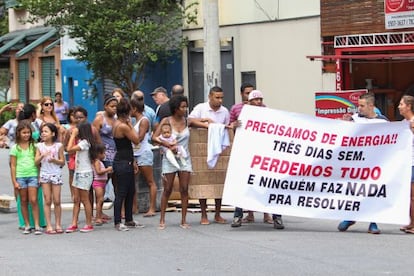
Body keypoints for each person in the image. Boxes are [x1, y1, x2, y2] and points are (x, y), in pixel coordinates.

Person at [230, 90, 284, 229]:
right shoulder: (242, 114)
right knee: (243, 185)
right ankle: (238, 216)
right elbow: (231, 127)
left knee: (271, 184)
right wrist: (235, 126)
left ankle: (277, 217)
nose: (259, 102)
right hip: (246, 154)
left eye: (260, 99)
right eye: (256, 100)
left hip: (263, 155)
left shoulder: (267, 113)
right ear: (249, 101)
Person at [338, 92, 388, 234]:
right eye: (358, 105)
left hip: (374, 165)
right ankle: (350, 217)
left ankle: (373, 222)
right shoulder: (355, 120)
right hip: (357, 164)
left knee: (372, 192)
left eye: (362, 106)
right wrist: (344, 124)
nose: (359, 108)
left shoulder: (383, 122)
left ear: (371, 106)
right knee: (353, 190)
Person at [188, 86, 230, 225]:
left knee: (219, 180)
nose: (220, 100)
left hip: (219, 149)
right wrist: (207, 125)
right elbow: (190, 121)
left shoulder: (225, 111)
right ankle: (204, 214)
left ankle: (218, 214)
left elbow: (227, 129)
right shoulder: (201, 108)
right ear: (210, 96)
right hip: (201, 148)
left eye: (221, 97)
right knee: (202, 179)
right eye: (217, 97)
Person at [152, 95, 192, 230]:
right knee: (168, 188)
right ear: (175, 108)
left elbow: (203, 123)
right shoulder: (166, 121)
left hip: (184, 158)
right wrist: (167, 145)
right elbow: (154, 138)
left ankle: (184, 219)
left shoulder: (187, 121)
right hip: (169, 158)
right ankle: (162, 218)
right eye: (182, 107)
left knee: (184, 189)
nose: (185, 109)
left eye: (186, 106)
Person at [112, 98, 144, 231]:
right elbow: (136, 140)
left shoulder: (116, 123)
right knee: (122, 192)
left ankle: (129, 219)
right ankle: (118, 221)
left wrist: (134, 161)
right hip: (123, 162)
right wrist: (130, 124)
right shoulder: (123, 126)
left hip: (126, 159)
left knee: (131, 191)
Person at [10, 120, 42, 235]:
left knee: (33, 200)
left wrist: (39, 176)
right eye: (24, 132)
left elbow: (38, 163)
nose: (26, 135)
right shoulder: (15, 148)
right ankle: (27, 225)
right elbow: (13, 166)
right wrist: (14, 181)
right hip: (20, 177)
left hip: (33, 175)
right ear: (18, 133)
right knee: (23, 201)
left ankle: (37, 225)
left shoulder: (34, 146)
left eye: (28, 132)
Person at [35, 123, 65, 234]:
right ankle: (49, 225)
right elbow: (36, 162)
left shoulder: (59, 146)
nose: (43, 133)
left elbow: (62, 162)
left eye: (46, 131)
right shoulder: (39, 146)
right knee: (47, 200)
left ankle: (58, 224)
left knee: (57, 200)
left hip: (56, 173)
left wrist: (54, 160)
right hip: (44, 174)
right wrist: (42, 155)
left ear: (53, 133)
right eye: (42, 131)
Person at [65, 122, 96, 233]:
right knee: (76, 199)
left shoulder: (85, 143)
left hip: (85, 173)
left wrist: (72, 135)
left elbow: (69, 150)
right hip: (78, 172)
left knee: (84, 199)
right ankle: (74, 222)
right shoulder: (80, 142)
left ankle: (89, 223)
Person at [130, 97, 157, 217]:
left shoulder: (144, 120)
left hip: (144, 152)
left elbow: (139, 138)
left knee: (150, 181)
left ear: (134, 108)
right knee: (132, 181)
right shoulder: (135, 121)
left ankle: (152, 208)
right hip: (135, 153)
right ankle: (134, 207)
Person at [92, 94, 117, 213]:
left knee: (117, 181)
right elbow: (94, 135)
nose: (114, 108)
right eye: (112, 106)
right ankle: (99, 212)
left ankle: (119, 210)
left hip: (116, 153)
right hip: (104, 154)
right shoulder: (100, 119)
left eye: (116, 106)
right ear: (105, 106)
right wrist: (98, 154)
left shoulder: (118, 119)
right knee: (102, 182)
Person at [397, 95, 414, 234]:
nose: (399, 106)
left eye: (401, 104)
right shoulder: (403, 123)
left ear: (409, 106)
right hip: (406, 163)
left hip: (413, 163)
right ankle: (410, 221)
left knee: (413, 195)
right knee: (408, 195)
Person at [90, 143, 113, 226]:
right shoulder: (96, 162)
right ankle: (98, 217)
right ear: (98, 154)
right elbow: (98, 172)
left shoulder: (100, 162)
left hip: (102, 182)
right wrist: (107, 169)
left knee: (101, 200)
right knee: (100, 200)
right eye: (103, 153)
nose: (104, 155)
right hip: (98, 182)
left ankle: (99, 215)